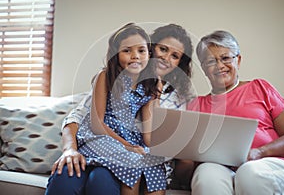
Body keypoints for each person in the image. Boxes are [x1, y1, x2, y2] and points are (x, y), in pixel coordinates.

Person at [45, 23, 195, 195]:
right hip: (106, 139)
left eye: (174, 55)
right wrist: (69, 148)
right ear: (151, 49)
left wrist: (164, 148)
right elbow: (84, 119)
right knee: (127, 166)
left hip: (132, 145)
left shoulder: (163, 91)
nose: (166, 58)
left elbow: (149, 133)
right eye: (163, 49)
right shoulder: (109, 77)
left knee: (152, 167)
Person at [187, 30, 284, 195]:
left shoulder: (260, 87)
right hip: (222, 168)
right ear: (204, 68)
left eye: (225, 58)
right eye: (211, 61)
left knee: (249, 172)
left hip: (271, 164)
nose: (219, 66)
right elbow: (187, 165)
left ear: (238, 60)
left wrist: (259, 152)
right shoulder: (195, 105)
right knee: (206, 174)